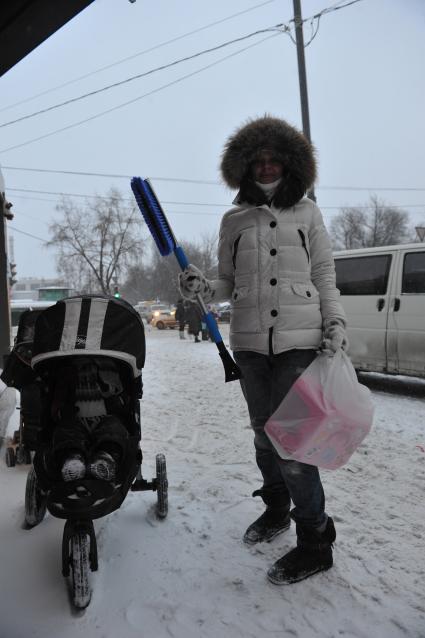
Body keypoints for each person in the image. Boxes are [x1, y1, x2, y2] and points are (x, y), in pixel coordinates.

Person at [178, 115, 348, 585]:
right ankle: (276, 507)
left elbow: (324, 277)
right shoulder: (233, 218)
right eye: (259, 160)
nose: (267, 166)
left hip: (299, 339)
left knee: (293, 442)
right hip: (250, 342)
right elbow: (226, 282)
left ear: (290, 164)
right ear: (246, 166)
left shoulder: (308, 214)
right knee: (262, 433)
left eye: (275, 159)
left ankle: (315, 540)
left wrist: (335, 320)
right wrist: (201, 287)